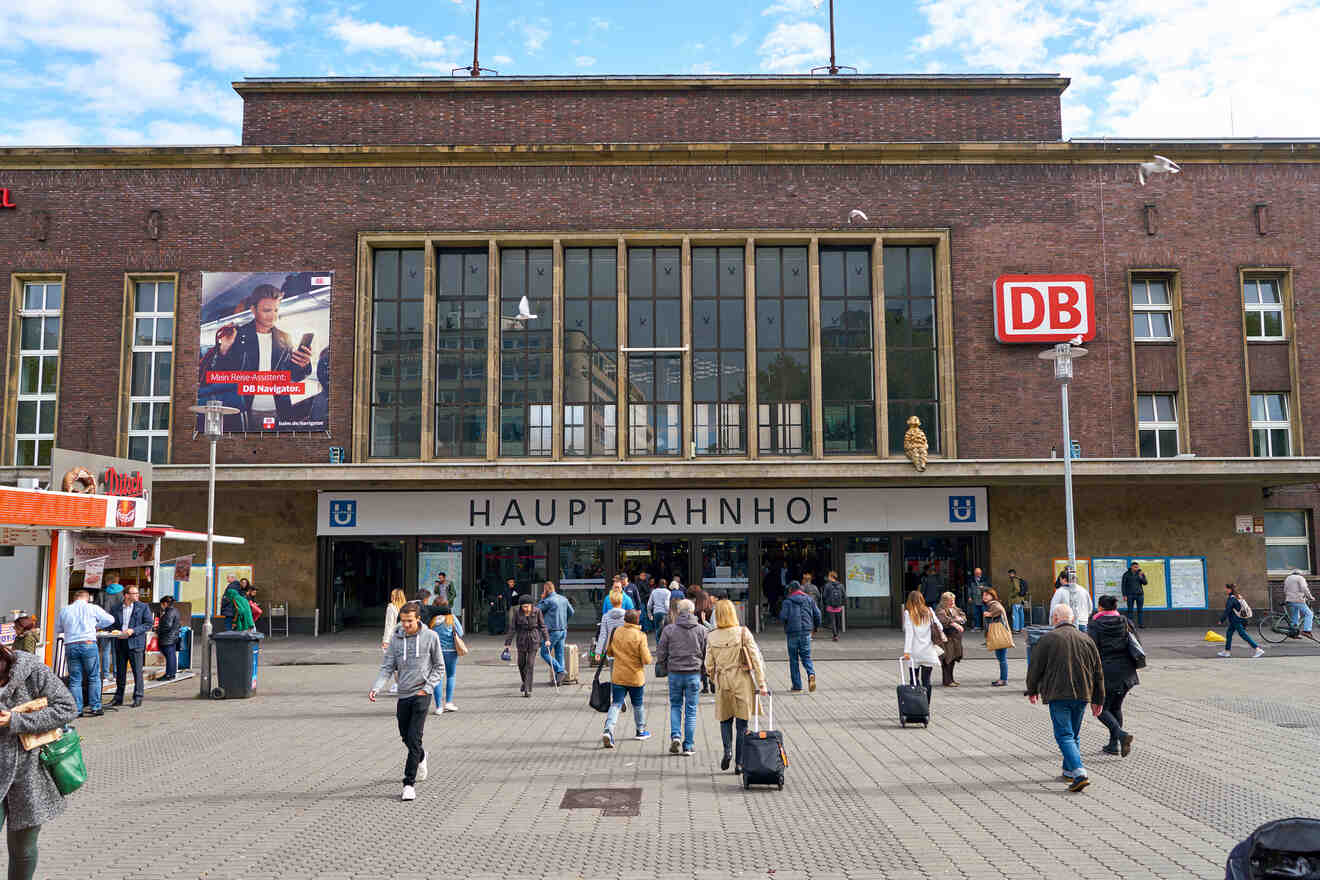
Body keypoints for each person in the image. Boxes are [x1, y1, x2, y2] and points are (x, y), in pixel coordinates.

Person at [0, 641, 79, 878]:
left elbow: (66, 708)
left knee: (22, 848)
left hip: (27, 772)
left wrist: (14, 721)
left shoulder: (29, 669)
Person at [199, 283, 314, 432]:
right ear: (253, 310)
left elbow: (293, 376)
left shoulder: (285, 338)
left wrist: (304, 365)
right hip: (243, 409)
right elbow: (219, 375)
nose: (273, 315)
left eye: (276, 310)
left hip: (278, 409)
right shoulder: (237, 335)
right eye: (267, 310)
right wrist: (224, 348)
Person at [1024, 604, 1105, 792]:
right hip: (1083, 693)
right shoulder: (1086, 639)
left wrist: (1032, 689)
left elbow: (1035, 667)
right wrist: (1098, 699)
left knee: (1064, 735)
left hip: (1058, 692)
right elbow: (1098, 671)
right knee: (1073, 734)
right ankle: (1069, 771)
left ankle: (1079, 773)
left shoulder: (1048, 639)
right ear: (1073, 620)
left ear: (1054, 619)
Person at [369, 602, 445, 801]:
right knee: (406, 736)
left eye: (409, 621)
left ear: (418, 619)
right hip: (403, 694)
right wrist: (377, 687)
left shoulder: (431, 637)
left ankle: (408, 784)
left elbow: (439, 667)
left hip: (421, 693)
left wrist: (427, 688)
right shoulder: (396, 638)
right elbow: (387, 666)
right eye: (403, 621)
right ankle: (421, 756)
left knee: (414, 738)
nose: (406, 625)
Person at [705, 599, 768, 774]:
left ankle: (727, 751)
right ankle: (739, 763)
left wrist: (713, 678)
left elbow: (708, 664)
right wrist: (761, 683)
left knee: (725, 720)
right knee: (742, 724)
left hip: (723, 680)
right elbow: (755, 659)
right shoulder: (743, 633)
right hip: (741, 680)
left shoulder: (712, 636)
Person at [1087, 594, 1138, 757]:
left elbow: (1091, 649)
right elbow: (1136, 643)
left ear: (1101, 607)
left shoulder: (1095, 624)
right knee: (1115, 707)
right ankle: (1113, 745)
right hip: (1126, 672)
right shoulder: (1125, 621)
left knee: (1099, 708)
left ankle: (1121, 735)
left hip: (1106, 672)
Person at [656, 598, 707, 756]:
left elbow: (661, 651)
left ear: (678, 612)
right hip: (693, 673)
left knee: (675, 706)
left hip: (675, 673)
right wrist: (704, 671)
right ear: (692, 611)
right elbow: (706, 653)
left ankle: (676, 736)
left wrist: (663, 666)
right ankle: (688, 745)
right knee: (691, 710)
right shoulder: (701, 630)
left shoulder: (669, 630)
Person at [54, 589, 113, 717]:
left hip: (71, 645)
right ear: (87, 598)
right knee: (93, 676)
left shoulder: (65, 610)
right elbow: (110, 620)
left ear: (75, 598)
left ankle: (77, 709)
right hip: (88, 644)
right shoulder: (92, 608)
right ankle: (95, 707)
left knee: (75, 679)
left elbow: (58, 628)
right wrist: (96, 625)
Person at [602, 610, 652, 748]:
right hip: (635, 676)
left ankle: (608, 730)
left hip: (618, 676)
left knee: (616, 703)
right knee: (638, 704)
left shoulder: (616, 632)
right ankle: (640, 730)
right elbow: (646, 659)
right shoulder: (640, 636)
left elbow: (610, 651)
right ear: (637, 621)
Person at [107, 586, 154, 709]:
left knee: (137, 672)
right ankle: (118, 698)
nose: (137, 595)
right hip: (120, 642)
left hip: (135, 643)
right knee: (120, 673)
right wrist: (114, 632)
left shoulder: (143, 607)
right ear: (126, 595)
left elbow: (148, 624)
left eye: (137, 593)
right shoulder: (116, 608)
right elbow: (111, 624)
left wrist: (133, 630)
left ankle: (138, 697)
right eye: (134, 593)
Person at [901, 591, 944, 703]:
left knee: (913, 680)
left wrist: (907, 652)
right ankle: (926, 705)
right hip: (928, 651)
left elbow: (909, 634)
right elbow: (939, 626)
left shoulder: (909, 613)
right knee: (927, 680)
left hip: (915, 652)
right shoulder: (929, 611)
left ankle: (915, 704)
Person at [779, 580, 821, 693]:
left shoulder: (787, 601)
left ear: (791, 590)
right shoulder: (809, 599)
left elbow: (783, 617)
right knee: (806, 657)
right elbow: (818, 614)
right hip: (806, 632)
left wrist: (786, 625)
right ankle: (811, 674)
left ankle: (797, 686)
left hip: (792, 633)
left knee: (793, 659)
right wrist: (815, 628)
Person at [504, 595, 551, 697]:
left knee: (530, 663)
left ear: (531, 605)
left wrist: (547, 639)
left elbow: (542, 626)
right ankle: (525, 682)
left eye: (527, 606)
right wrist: (507, 643)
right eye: (523, 607)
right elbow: (512, 628)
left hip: (534, 639)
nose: (525, 609)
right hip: (521, 639)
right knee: (521, 663)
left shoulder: (537, 611)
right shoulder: (517, 612)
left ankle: (527, 689)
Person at [430, 602, 463, 713]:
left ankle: (438, 706)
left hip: (436, 651)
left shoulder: (432, 620)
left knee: (437, 677)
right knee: (451, 676)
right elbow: (461, 632)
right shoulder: (451, 618)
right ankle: (449, 703)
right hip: (451, 651)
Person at [537, 581, 573, 685]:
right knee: (559, 654)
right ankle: (559, 679)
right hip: (563, 630)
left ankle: (560, 670)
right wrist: (564, 620)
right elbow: (571, 612)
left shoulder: (548, 601)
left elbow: (537, 611)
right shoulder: (563, 599)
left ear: (546, 590)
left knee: (544, 653)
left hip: (552, 631)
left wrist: (542, 599)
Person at [1217, 583, 1265, 658]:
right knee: (1229, 633)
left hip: (1236, 619)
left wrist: (1221, 620)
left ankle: (1257, 649)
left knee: (1243, 635)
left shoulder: (1232, 598)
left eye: (1226, 589)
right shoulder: (1238, 596)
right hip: (1237, 619)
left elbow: (1227, 610)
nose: (1225, 590)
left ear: (1230, 589)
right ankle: (1227, 651)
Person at [934, 592, 966, 687]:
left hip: (955, 638)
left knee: (953, 659)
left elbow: (963, 615)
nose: (952, 602)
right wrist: (955, 621)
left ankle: (951, 679)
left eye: (953, 600)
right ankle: (947, 681)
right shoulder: (940, 609)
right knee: (947, 659)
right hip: (947, 638)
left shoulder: (955, 608)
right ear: (945, 601)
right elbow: (943, 619)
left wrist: (961, 619)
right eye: (950, 600)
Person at [982, 587, 1011, 687]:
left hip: (999, 634)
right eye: (984, 595)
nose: (984, 597)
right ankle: (1003, 678)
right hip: (999, 634)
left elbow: (999, 610)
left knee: (1002, 658)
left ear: (992, 596)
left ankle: (1003, 679)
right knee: (1001, 657)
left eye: (987, 595)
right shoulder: (991, 604)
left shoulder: (994, 604)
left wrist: (990, 614)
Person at [382, 588, 407, 694]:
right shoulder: (406, 607)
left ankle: (397, 684)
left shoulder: (391, 607)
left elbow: (389, 625)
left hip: (393, 637)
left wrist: (385, 640)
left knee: (394, 664)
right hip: (405, 637)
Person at [101, 581, 124, 685]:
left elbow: (99, 609)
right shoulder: (123, 593)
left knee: (105, 651)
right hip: (117, 625)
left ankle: (105, 675)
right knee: (116, 651)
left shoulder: (102, 593)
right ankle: (115, 674)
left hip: (105, 625)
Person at [1282, 568, 1316, 638]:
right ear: (1300, 573)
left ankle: (1293, 633)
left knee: (1295, 617)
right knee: (1309, 614)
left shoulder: (1288, 578)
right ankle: (1307, 631)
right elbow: (1304, 588)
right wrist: (1310, 597)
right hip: (1298, 600)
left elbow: (1285, 590)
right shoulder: (1300, 578)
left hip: (1289, 600)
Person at [155, 596, 181, 681]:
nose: (161, 606)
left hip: (167, 638)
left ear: (165, 604)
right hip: (172, 637)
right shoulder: (175, 611)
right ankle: (171, 674)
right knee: (171, 656)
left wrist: (158, 629)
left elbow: (167, 626)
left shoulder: (169, 612)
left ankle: (169, 674)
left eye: (161, 604)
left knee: (170, 656)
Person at [1121, 562, 1147, 628]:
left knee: (1140, 610)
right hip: (1130, 595)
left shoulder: (1140, 573)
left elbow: (1145, 583)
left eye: (1137, 567)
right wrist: (1124, 595)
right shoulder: (1126, 574)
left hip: (1140, 595)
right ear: (1131, 567)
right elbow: (1123, 585)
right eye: (1135, 567)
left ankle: (1141, 624)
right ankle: (1130, 625)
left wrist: (1141, 577)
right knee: (1130, 610)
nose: (1137, 568)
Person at [822, 571, 845, 641]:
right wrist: (841, 603)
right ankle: (837, 634)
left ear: (831, 577)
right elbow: (844, 596)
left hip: (830, 606)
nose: (828, 578)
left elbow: (824, 596)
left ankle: (835, 635)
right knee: (837, 621)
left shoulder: (827, 585)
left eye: (829, 576)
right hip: (838, 606)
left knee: (833, 621)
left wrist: (826, 603)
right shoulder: (841, 585)